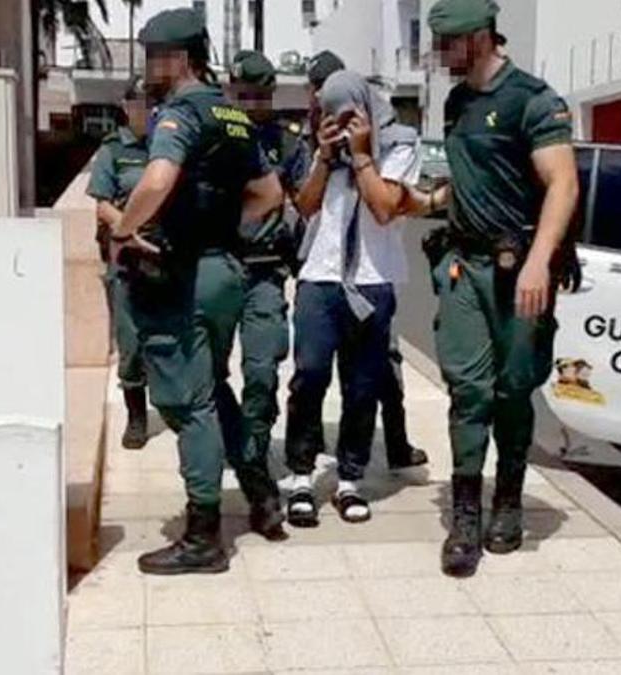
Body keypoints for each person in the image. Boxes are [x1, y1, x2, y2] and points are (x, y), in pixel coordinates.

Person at [111, 7, 285, 575]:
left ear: (180, 59)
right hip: (226, 272)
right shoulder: (232, 114)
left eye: (153, 56)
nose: (148, 67)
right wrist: (224, 228)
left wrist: (124, 230)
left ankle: (203, 535)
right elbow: (269, 194)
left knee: (189, 404)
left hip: (184, 276)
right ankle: (259, 489)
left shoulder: (180, 112)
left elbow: (157, 180)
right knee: (211, 386)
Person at [422, 0, 580, 577]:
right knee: (469, 390)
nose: (441, 53)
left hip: (520, 270)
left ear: (482, 37)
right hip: (466, 266)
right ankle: (466, 514)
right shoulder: (456, 102)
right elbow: (470, 181)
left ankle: (507, 501)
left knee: (514, 390)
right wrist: (425, 201)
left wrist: (540, 262)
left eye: (450, 42)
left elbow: (563, 184)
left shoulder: (532, 100)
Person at [283, 69, 422, 527]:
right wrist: (325, 158)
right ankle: (301, 475)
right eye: (332, 115)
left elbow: (384, 208)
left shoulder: (400, 145)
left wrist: (362, 155)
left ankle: (349, 479)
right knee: (309, 375)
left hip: (372, 279)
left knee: (362, 386)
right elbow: (305, 206)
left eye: (349, 115)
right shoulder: (323, 147)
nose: (341, 124)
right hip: (320, 277)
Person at [226, 50, 311, 490]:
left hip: (265, 272)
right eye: (242, 95)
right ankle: (225, 440)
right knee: (206, 372)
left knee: (261, 370)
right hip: (217, 268)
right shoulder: (212, 134)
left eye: (258, 96)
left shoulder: (287, 144)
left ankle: (255, 453)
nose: (250, 104)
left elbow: (308, 202)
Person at [88, 79, 154, 450]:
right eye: (139, 103)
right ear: (127, 107)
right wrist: (131, 230)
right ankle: (136, 415)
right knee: (130, 342)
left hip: (165, 257)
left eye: (152, 103)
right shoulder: (113, 150)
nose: (146, 110)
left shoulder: (168, 145)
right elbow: (102, 205)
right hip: (128, 258)